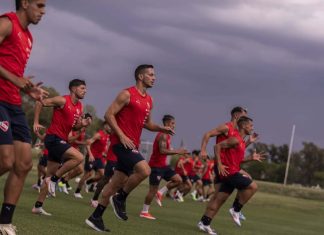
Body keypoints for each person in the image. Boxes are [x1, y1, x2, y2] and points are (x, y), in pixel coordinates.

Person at [85, 64, 174, 232]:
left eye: (154, 75)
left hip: (132, 144)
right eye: (151, 74)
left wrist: (162, 128)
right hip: (121, 144)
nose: (154, 77)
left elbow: (147, 124)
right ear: (141, 76)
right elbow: (108, 114)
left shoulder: (149, 100)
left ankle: (95, 217)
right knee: (145, 170)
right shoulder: (127, 94)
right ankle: (121, 198)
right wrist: (121, 135)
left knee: (113, 185)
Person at [0, 1, 47, 233]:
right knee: (5, 160)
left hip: (13, 103)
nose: (43, 11)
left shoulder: (28, 37)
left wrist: (28, 89)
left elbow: (14, 74)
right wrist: (15, 79)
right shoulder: (6, 23)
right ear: (25, 3)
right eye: (39, 5)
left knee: (24, 164)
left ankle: (4, 223)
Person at [31, 79, 92, 215]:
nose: (85, 91)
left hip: (62, 140)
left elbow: (74, 126)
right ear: (73, 89)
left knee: (50, 173)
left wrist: (83, 123)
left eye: (85, 89)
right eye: (82, 88)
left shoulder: (79, 106)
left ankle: (38, 206)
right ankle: (53, 180)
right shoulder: (62, 100)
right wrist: (35, 122)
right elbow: (39, 102)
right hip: (53, 138)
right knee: (79, 157)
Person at [197, 116, 265, 234]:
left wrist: (251, 157)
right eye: (251, 125)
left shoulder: (242, 142)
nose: (252, 128)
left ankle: (204, 223)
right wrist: (219, 165)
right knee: (253, 186)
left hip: (231, 172)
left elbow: (237, 160)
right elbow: (217, 146)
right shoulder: (236, 139)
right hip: (230, 173)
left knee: (219, 199)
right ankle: (235, 209)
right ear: (244, 126)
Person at [140, 114, 187, 220]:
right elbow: (162, 151)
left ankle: (160, 193)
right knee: (152, 190)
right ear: (166, 124)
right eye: (172, 123)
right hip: (155, 167)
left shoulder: (168, 135)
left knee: (178, 180)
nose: (174, 126)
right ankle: (144, 211)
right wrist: (177, 151)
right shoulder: (163, 135)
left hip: (163, 166)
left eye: (174, 123)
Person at [74, 122, 111, 198]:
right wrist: (90, 155)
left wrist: (104, 153)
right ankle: (77, 192)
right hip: (92, 157)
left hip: (99, 158)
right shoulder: (98, 135)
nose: (110, 127)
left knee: (102, 175)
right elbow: (88, 144)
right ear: (105, 126)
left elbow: (103, 147)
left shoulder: (107, 136)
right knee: (87, 174)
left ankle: (88, 182)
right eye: (109, 126)